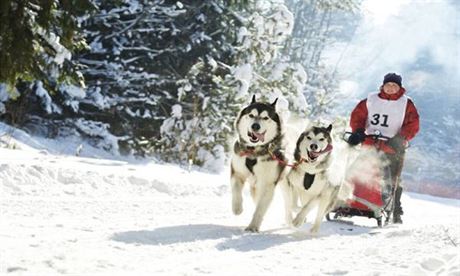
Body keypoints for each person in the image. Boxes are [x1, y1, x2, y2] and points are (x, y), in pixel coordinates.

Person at [347, 73, 420, 224]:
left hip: (392, 146)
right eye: (389, 85)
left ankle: (395, 209)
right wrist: (358, 131)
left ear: (400, 87)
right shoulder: (371, 100)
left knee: (392, 179)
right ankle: (352, 202)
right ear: (383, 85)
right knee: (358, 172)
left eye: (395, 85)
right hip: (370, 143)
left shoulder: (406, 104)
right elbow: (358, 116)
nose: (391, 88)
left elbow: (413, 124)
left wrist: (401, 139)